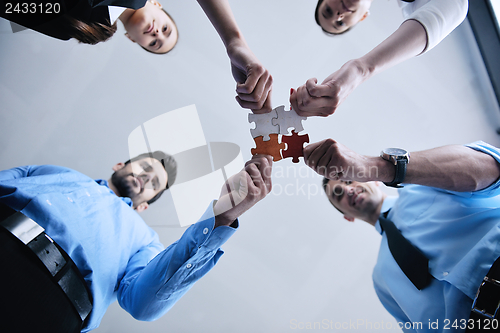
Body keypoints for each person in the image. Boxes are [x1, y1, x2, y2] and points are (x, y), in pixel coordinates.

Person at [0, 151, 273, 332]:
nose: (145, 177)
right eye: (144, 167)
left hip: (53, 311)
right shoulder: (56, 171)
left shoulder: (145, 241)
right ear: (119, 165)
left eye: (154, 183)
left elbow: (143, 304)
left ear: (144, 207)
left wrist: (220, 217)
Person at [304, 138, 500, 331]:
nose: (347, 190)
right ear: (347, 217)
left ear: (373, 180)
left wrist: (379, 167)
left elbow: (493, 168)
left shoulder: (425, 183)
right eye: (338, 194)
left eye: (348, 180)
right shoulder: (381, 282)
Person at [0, 0, 272, 112]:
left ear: (132, 39)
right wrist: (234, 42)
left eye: (154, 43)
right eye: (166, 29)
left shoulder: (77, 27)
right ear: (157, 4)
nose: (158, 34)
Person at [290, 0, 469, 117]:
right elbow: (455, 6)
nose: (338, 16)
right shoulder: (417, 5)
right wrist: (360, 69)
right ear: (363, 17)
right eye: (341, 23)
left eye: (328, 10)